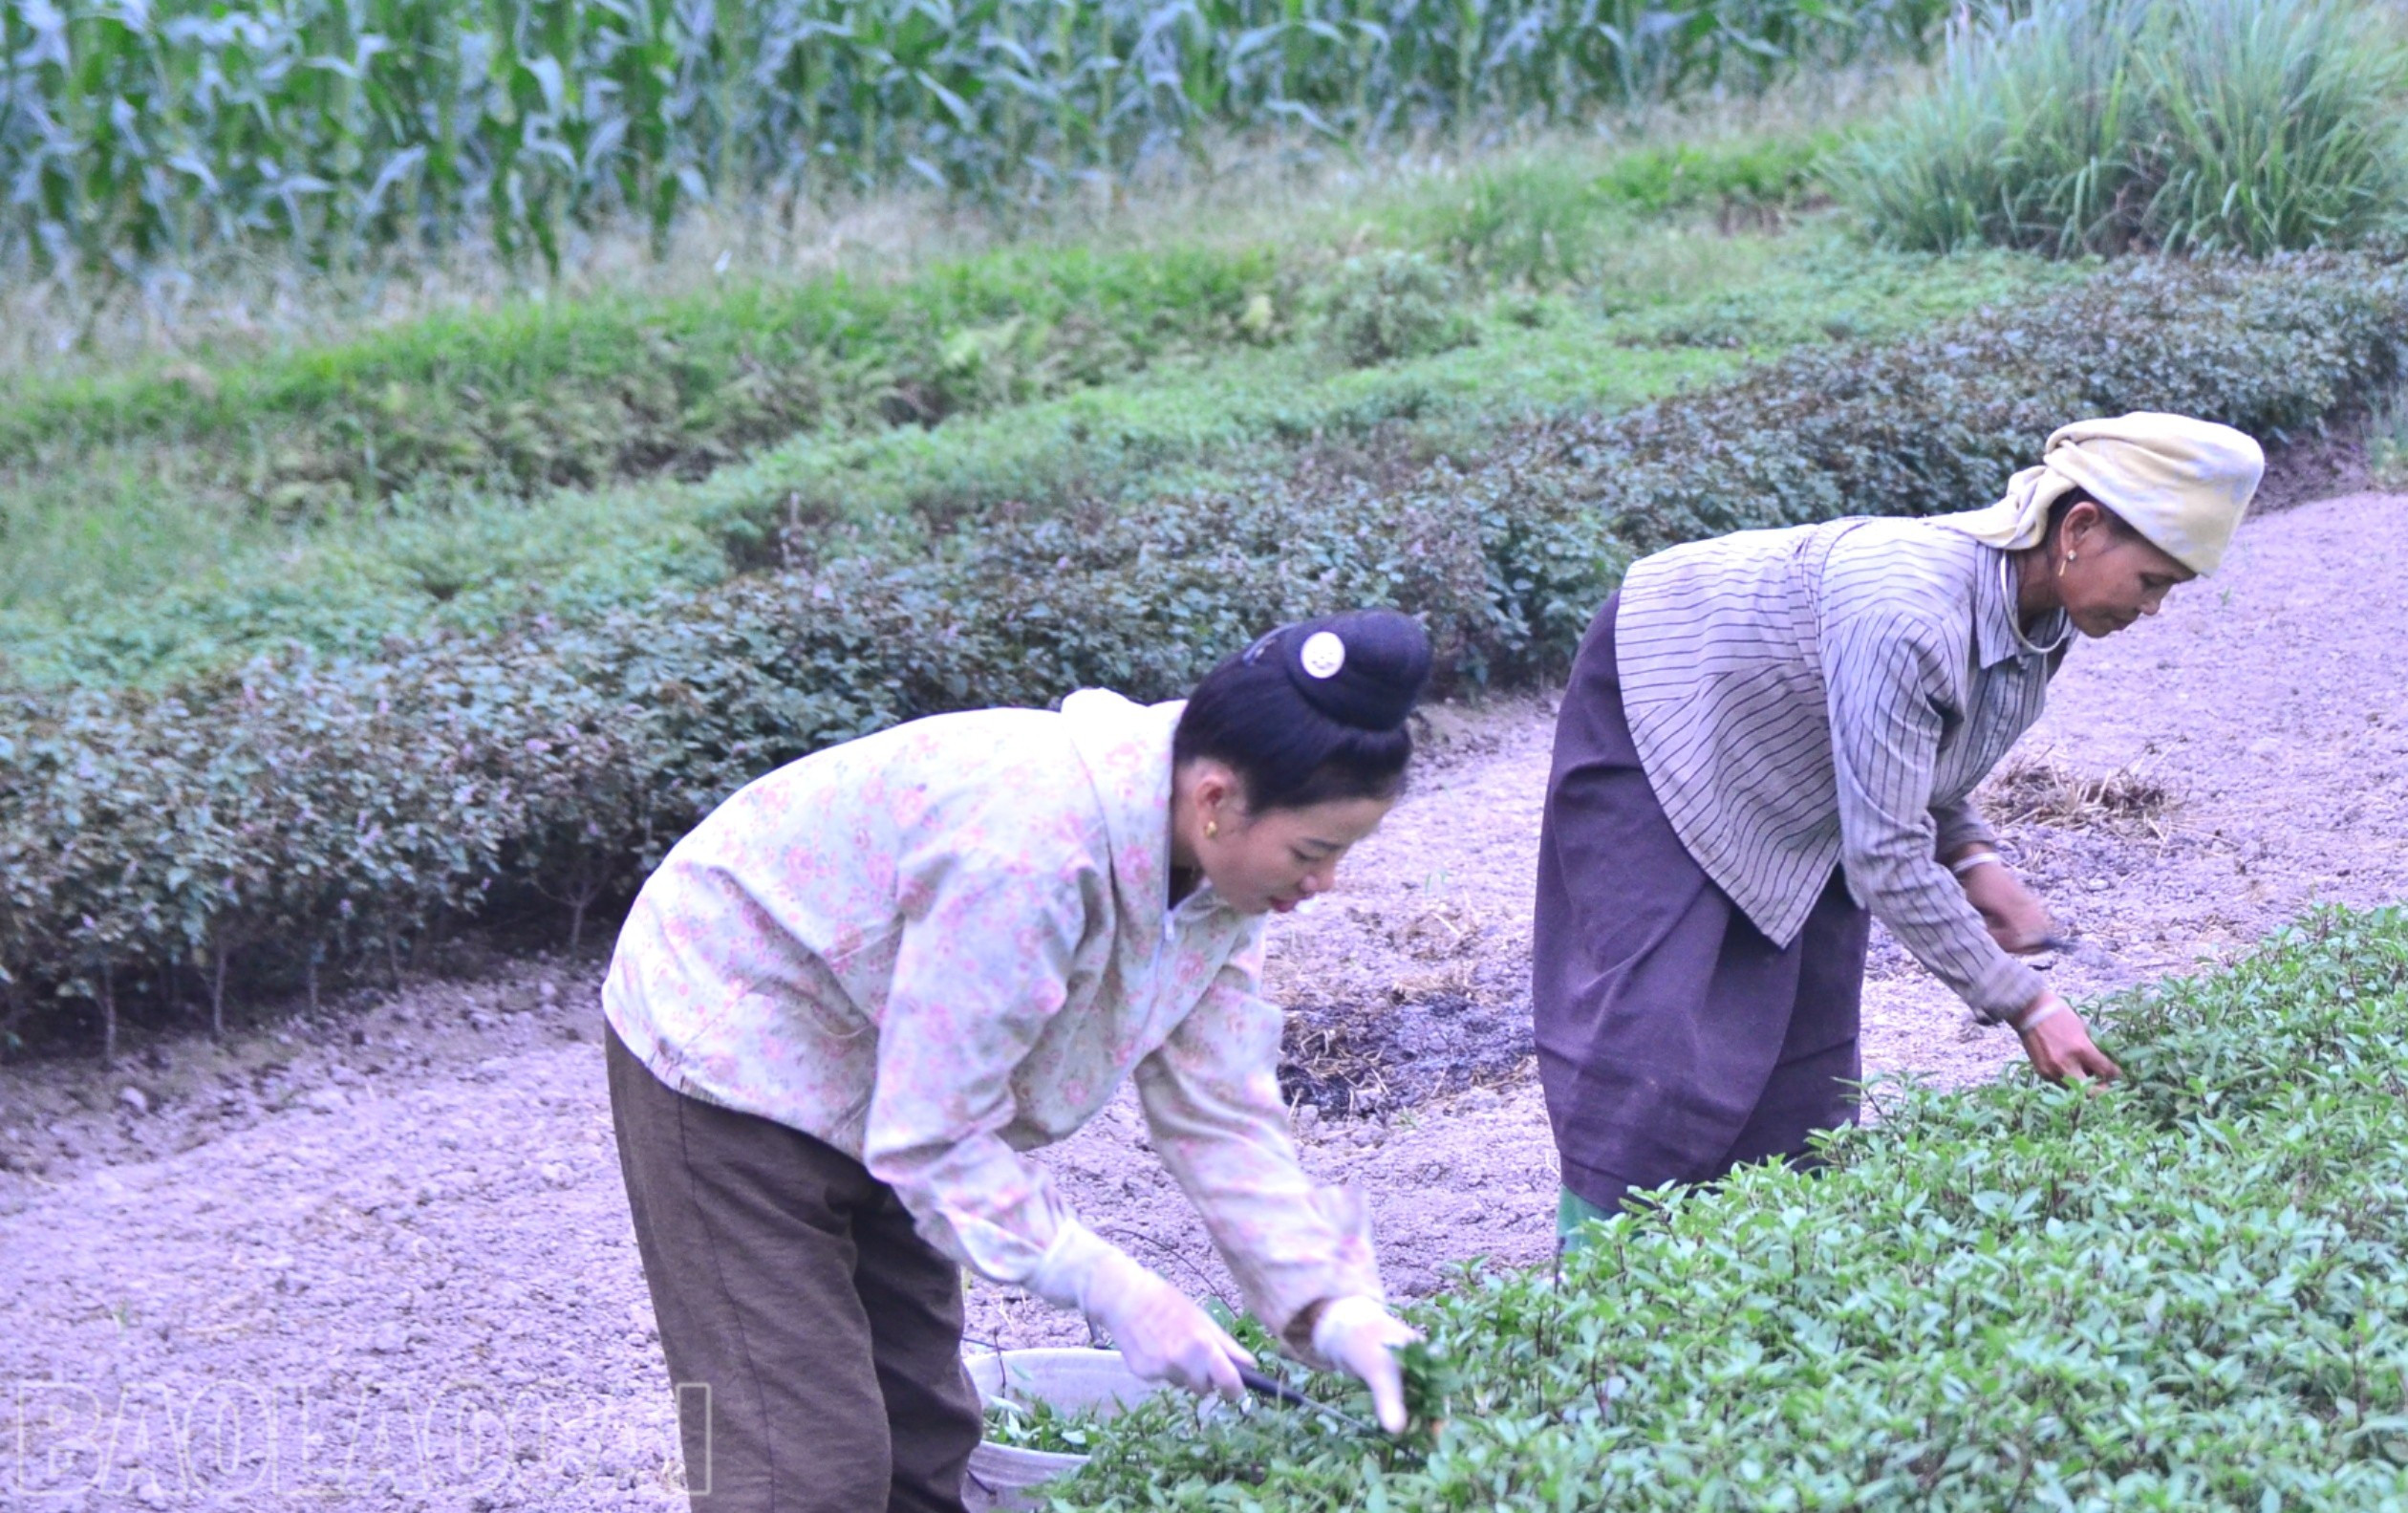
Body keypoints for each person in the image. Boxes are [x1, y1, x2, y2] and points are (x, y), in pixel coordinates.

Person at [601, 612, 1434, 1512]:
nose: (1324, 883)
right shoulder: (1030, 852)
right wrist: (1111, 1287)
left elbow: (1222, 1112)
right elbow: (931, 1140)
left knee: (926, 1434)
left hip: (894, 1067)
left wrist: (1334, 1305)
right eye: (1313, 851)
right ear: (1215, 797)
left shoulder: (1218, 883)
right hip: (727, 1043)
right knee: (796, 1465)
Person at [1533, 412, 2267, 1239]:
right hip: (1667, 696)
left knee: (1809, 1033)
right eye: (2152, 579)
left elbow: (1920, 746)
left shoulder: (2044, 617)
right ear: (2080, 529)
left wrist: (1973, 854)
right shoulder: (1909, 610)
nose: (2154, 607)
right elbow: (1883, 854)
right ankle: (1598, 1270)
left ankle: (1769, 1257)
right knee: (1657, 1028)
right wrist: (2026, 1003)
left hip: (1788, 736)